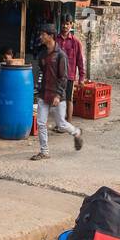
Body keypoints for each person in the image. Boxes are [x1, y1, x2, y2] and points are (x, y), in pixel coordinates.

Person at [31, 24, 84, 160]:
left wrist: (58, 95)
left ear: (50, 36)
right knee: (41, 123)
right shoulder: (42, 54)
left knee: (61, 123)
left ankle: (76, 132)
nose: (41, 37)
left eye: (43, 34)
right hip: (44, 93)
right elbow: (41, 72)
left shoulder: (61, 55)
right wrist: (38, 89)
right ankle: (44, 151)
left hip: (56, 95)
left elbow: (64, 77)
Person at [55, 17, 86, 115]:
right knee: (57, 98)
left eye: (67, 24)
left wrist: (81, 77)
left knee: (69, 99)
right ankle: (60, 123)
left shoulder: (76, 42)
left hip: (69, 75)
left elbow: (80, 60)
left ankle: (68, 122)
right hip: (57, 75)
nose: (65, 26)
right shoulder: (55, 40)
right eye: (63, 23)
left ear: (71, 25)